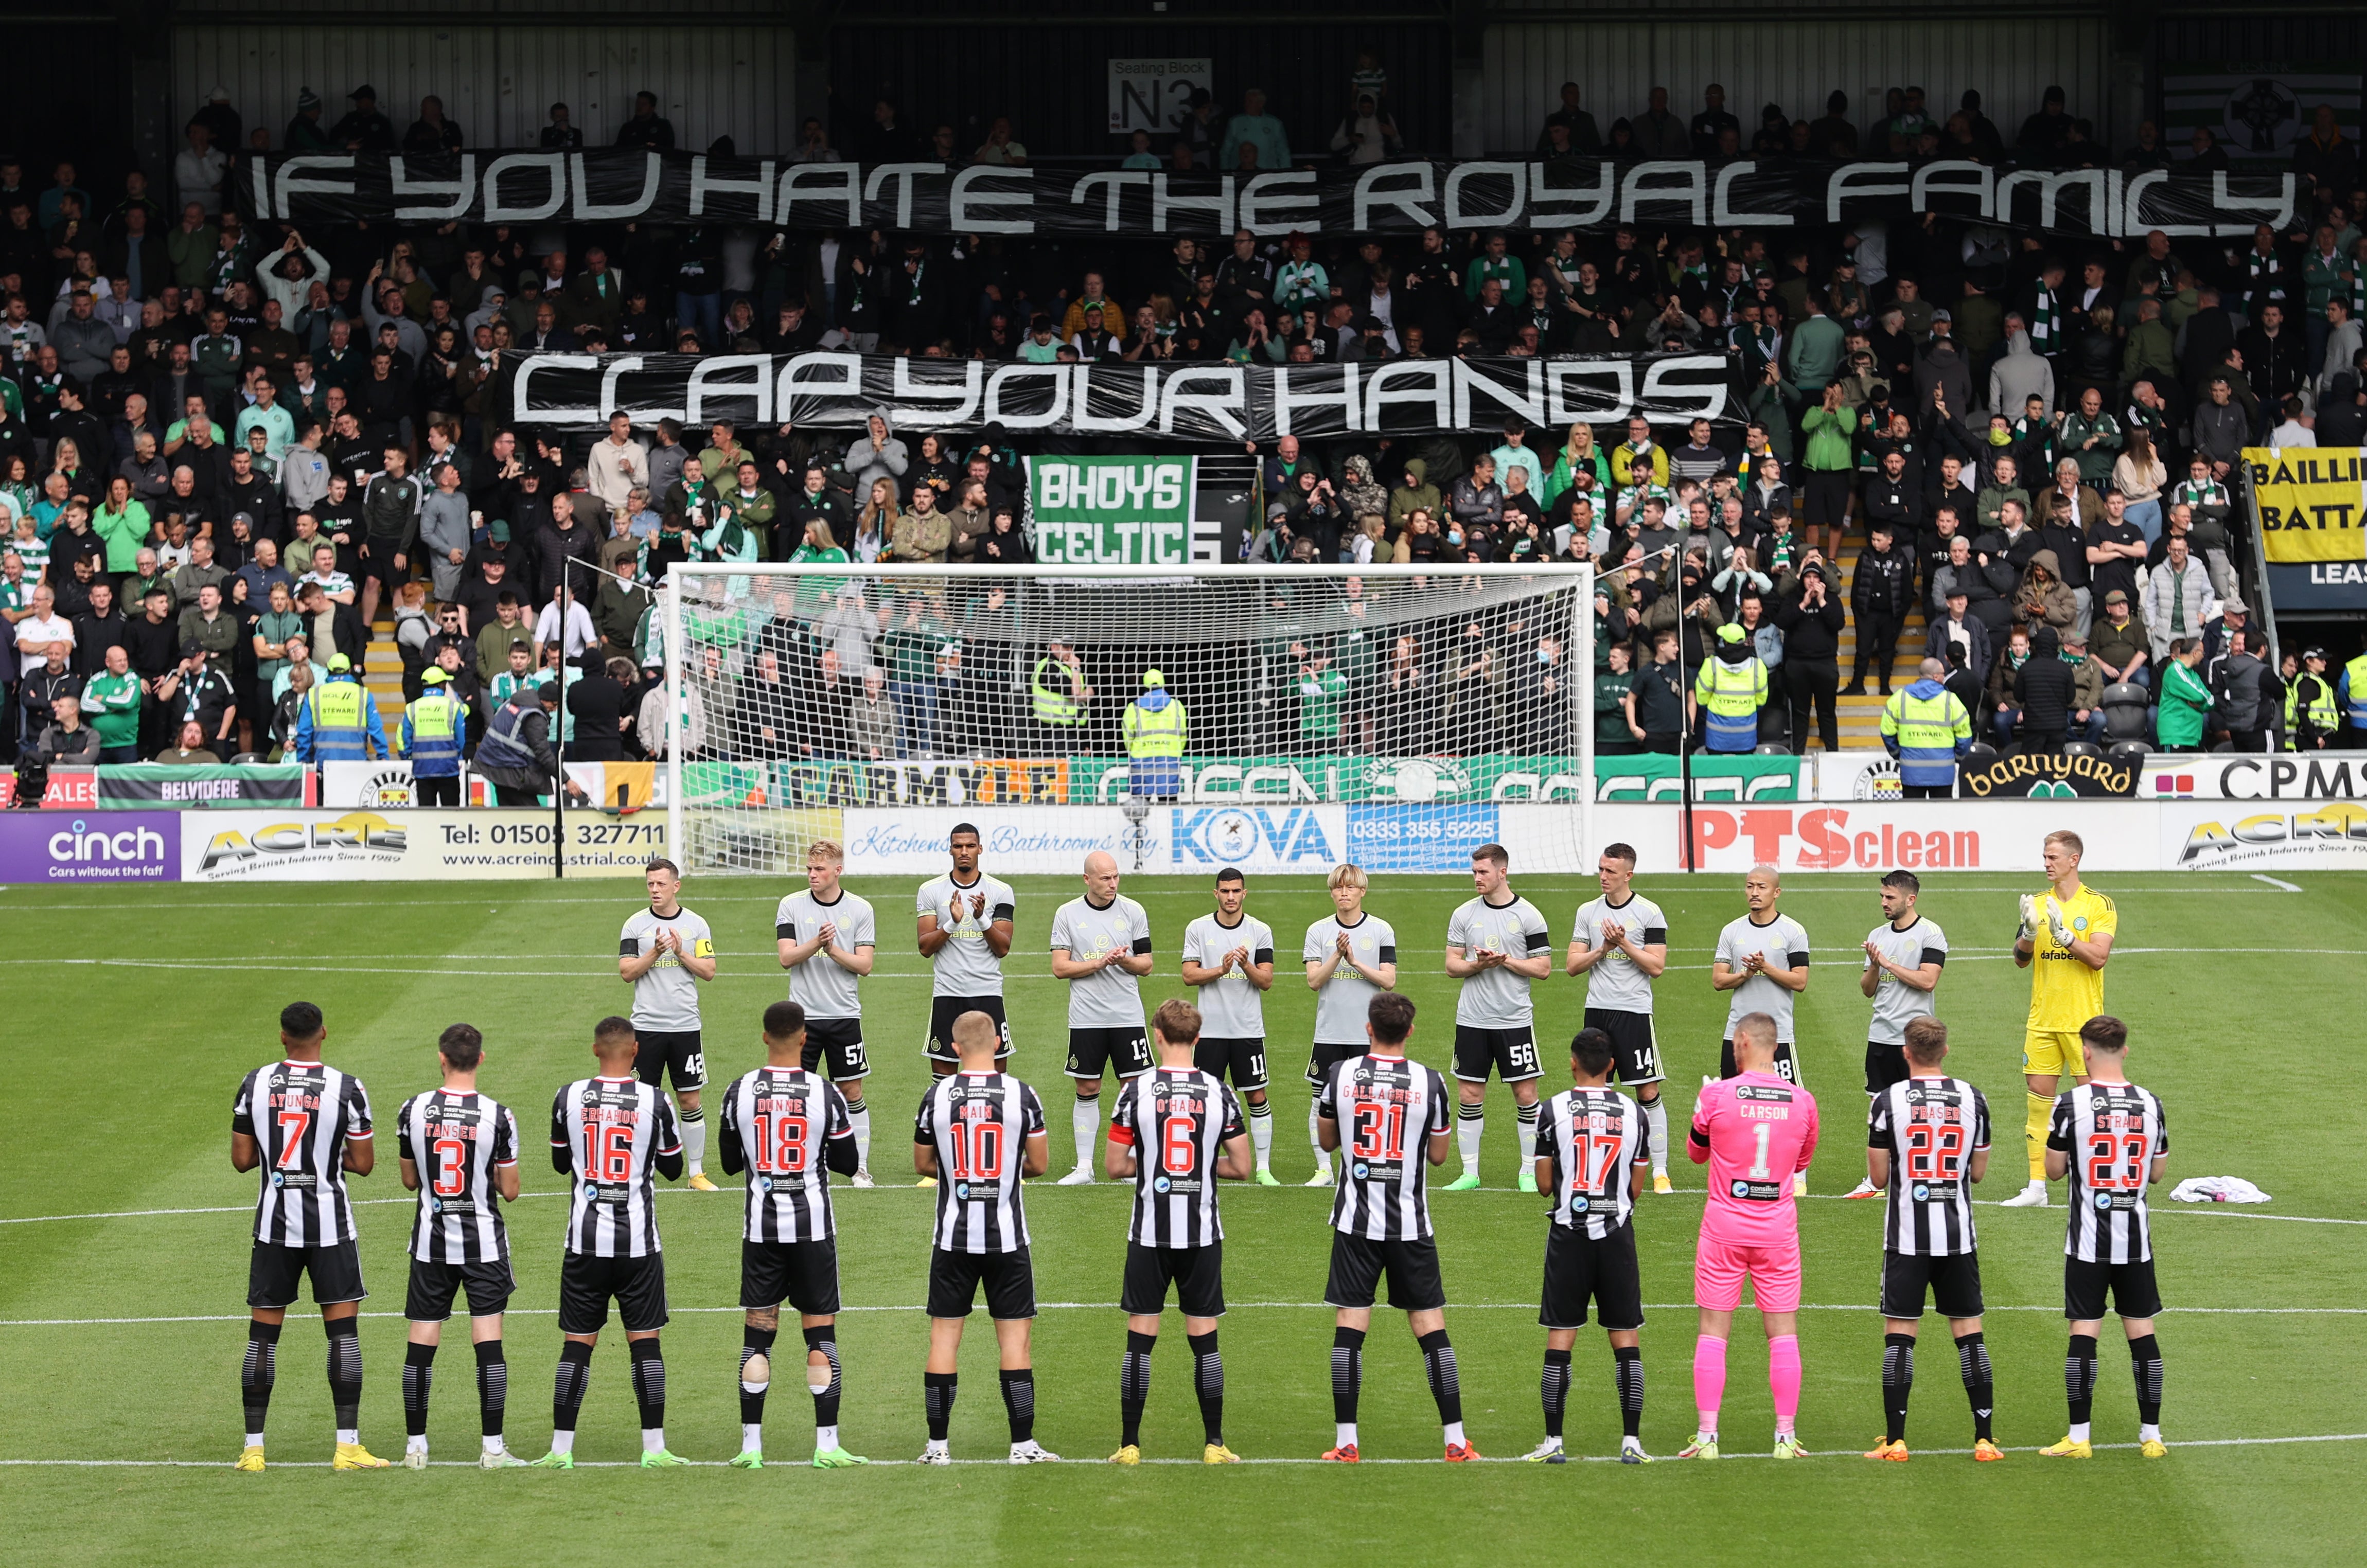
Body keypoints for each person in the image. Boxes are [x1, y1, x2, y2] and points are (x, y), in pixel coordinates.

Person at [229, 1000, 383, 1470]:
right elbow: (364, 1163)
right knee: (343, 1335)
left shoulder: (254, 1084)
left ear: (282, 1037)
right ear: (324, 1033)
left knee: (262, 1338)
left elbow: (241, 1159)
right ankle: (347, 1447)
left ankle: (253, 1450)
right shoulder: (347, 1088)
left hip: (274, 1227)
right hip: (330, 1228)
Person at [1315, 993, 1468, 1463]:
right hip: (1410, 1224)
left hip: (1354, 1223)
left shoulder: (1340, 1075)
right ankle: (1456, 1442)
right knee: (1430, 1328)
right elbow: (1440, 1156)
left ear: (1368, 1029)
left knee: (1350, 1327)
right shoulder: (1432, 1082)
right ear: (1410, 1032)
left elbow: (1326, 1140)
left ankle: (1346, 1443)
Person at [716, 1000, 867, 1471]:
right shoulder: (824, 1093)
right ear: (805, 1039)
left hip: (761, 1232)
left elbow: (726, 1162)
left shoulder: (739, 1090)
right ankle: (826, 1445)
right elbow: (846, 1164)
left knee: (757, 1339)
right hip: (812, 1231)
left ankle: (751, 1448)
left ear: (765, 1037)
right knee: (820, 1337)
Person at [1104, 998, 1253, 1465]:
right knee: (1205, 1338)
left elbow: (1113, 1166)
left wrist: (1153, 1168)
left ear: (1158, 1037)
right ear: (1199, 1039)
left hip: (1149, 1232)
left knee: (1140, 1339)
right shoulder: (1219, 1091)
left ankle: (1129, 1445)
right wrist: (1204, 1168)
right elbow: (1243, 1166)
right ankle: (1214, 1444)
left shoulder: (1135, 1091)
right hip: (1202, 1233)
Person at [533, 1015, 686, 1468]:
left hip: (585, 1243)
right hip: (638, 1244)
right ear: (636, 1050)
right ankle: (655, 1449)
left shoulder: (569, 1096)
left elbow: (562, 1164)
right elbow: (676, 1170)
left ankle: (560, 1451)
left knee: (577, 1344)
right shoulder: (656, 1101)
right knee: (646, 1344)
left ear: (595, 1050)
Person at [912, 1009, 1056, 1465]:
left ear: (954, 1049)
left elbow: (922, 1164)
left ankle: (937, 1448)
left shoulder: (935, 1097)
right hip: (1007, 1239)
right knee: (1015, 1342)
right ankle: (1022, 1446)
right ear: (997, 1042)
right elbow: (1039, 1164)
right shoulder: (1022, 1094)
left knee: (943, 1340)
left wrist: (960, 1174)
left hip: (952, 1238)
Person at [1679, 1012, 1820, 1462]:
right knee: (1782, 1334)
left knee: (1714, 1332)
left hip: (1724, 1227)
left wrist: (1702, 1112)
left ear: (1742, 1042)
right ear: (1774, 1046)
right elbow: (1800, 1163)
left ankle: (1707, 1438)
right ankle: (1784, 1436)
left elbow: (1695, 1155)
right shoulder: (1803, 1102)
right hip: (1777, 1230)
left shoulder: (1716, 1095)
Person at [1863, 1017, 2001, 1462]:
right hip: (1958, 1236)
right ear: (1945, 1051)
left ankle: (1896, 1440)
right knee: (1969, 1334)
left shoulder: (1887, 1101)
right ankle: (1984, 1439)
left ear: (1906, 1052)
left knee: (1900, 1336)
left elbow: (1879, 1176)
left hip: (1906, 1237)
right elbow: (1977, 1174)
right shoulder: (1973, 1099)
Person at [392, 1022, 527, 1469]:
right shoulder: (498, 1115)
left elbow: (411, 1179)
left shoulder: (413, 1110)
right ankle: (492, 1449)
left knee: (421, 1342)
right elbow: (511, 1190)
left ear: (441, 1057)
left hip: (431, 1245)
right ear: (481, 1059)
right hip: (483, 1246)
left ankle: (416, 1449)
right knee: (487, 1341)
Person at [2039, 1014, 2170, 1459]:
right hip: (2136, 1242)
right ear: (2125, 1051)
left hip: (2088, 1242)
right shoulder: (2151, 1104)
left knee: (2084, 1332)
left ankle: (2079, 1438)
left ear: (2086, 1052)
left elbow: (2054, 1172)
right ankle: (2152, 1436)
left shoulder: (2071, 1104)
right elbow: (2156, 1172)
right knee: (2142, 1333)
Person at [1525, 1026, 1653, 1465]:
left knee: (1561, 1337)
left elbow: (1543, 1185)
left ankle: (1554, 1441)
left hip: (1569, 1236)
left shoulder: (1552, 1109)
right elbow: (1636, 1186)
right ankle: (1632, 1441)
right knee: (1626, 1338)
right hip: (1617, 1236)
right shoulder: (1636, 1113)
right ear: (1613, 1066)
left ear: (1573, 1062)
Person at [2002, 830, 2117, 1208]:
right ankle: (2037, 1187)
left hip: (2085, 1024)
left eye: (2053, 857)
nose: (2047, 863)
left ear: (2074, 860)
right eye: (2044, 857)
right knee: (2038, 1105)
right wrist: (2030, 934)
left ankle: (2093, 1183)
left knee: (2094, 1106)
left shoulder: (2099, 905)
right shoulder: (2036, 903)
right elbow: (2020, 960)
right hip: (2043, 1021)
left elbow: (2098, 957)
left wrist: (2067, 938)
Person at [1443, 843, 1554, 1192]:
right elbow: (1451, 965)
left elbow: (1544, 968)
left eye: (1483, 872)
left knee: (1525, 1093)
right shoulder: (1463, 914)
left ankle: (1526, 1172)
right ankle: (1470, 1173)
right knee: (1470, 1094)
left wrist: (1505, 961)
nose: (1477, 878)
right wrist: (1478, 965)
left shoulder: (1529, 915)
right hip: (1472, 1019)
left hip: (1514, 1020)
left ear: (1502, 872)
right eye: (1474, 872)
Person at [1565, 843, 1672, 1195]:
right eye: (1601, 869)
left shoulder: (1648, 912)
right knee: (1596, 1093)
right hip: (1597, 1012)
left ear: (1629, 874)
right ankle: (1600, 1165)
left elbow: (1656, 967)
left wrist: (1624, 944)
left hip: (1635, 1013)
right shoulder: (1587, 912)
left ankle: (1660, 1172)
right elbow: (1571, 967)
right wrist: (1603, 949)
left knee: (1648, 1090)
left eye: (1610, 871)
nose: (1603, 877)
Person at [774, 840, 878, 1185]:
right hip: (802, 1020)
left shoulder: (861, 909)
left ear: (838, 870)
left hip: (844, 1016)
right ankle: (798, 1165)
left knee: (851, 1092)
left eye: (820, 869)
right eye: (809, 869)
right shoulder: (790, 905)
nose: (813, 875)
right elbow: (787, 958)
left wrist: (831, 949)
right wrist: (818, 943)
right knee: (797, 1094)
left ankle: (859, 1167)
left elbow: (864, 965)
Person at [1049, 850, 1155, 1183]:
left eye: (1116, 877)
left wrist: (1122, 961)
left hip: (1127, 1016)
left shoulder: (1133, 911)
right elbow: (1060, 967)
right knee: (1087, 1086)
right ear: (1088, 880)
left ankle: (1131, 1165)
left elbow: (1147, 965)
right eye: (1106, 878)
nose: (1113, 884)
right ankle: (1084, 1167)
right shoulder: (1067, 914)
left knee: (1132, 1090)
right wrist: (1099, 963)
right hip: (1086, 1018)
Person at [1843, 870, 1950, 1200]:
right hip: (1880, 1037)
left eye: (1890, 897)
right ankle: (1877, 1181)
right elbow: (1867, 989)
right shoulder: (1878, 935)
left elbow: (1928, 980)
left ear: (1910, 899)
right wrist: (1875, 965)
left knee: (1920, 1110)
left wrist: (1887, 963)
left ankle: (1923, 1175)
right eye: (1882, 896)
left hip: (1916, 1040)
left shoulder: (1930, 934)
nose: (1884, 902)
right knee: (1880, 1111)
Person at [617, 858, 719, 1191]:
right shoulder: (635, 925)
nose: (655, 890)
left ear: (676, 886)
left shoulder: (697, 925)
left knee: (690, 1100)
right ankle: (640, 1174)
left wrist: (679, 951)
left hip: (685, 1027)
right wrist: (655, 952)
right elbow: (627, 972)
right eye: (650, 884)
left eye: (661, 884)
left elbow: (708, 971)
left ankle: (696, 1173)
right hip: (645, 1028)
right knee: (643, 1101)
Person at [1179, 867, 1281, 1185]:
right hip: (1208, 1032)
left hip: (1248, 1031)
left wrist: (1244, 964)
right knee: (1205, 1098)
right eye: (1225, 891)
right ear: (1216, 894)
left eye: (1236, 891)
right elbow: (1189, 975)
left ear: (1244, 893)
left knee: (1257, 1097)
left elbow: (1266, 981)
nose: (1231, 897)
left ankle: (1263, 1168)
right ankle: (1204, 1162)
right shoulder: (1197, 928)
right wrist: (1220, 969)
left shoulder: (1260, 930)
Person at [1301, 862, 1399, 1188]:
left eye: (1350, 887)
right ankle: (1324, 1169)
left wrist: (1355, 961)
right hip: (1329, 1032)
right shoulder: (1318, 930)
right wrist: (1338, 957)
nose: (1343, 893)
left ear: (1362, 891)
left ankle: (1362, 1164)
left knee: (1368, 1101)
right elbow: (1314, 981)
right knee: (1321, 1100)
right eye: (1337, 888)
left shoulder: (1381, 929)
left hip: (1367, 1033)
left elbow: (1389, 980)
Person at [915, 823, 1018, 1083]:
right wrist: (952, 923)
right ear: (950, 849)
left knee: (996, 1081)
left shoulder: (1001, 890)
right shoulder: (931, 890)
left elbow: (1003, 948)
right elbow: (925, 947)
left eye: (970, 846)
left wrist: (982, 918)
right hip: (948, 994)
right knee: (943, 1083)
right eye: (958, 846)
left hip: (988, 993)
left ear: (980, 849)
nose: (964, 851)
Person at [1710, 866, 1814, 1114]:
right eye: (1750, 886)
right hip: (1737, 1035)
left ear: (1776, 892)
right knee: (1733, 1106)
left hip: (1777, 1036)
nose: (1754, 892)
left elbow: (1800, 982)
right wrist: (1745, 974)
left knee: (1789, 1105)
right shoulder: (1732, 931)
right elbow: (1718, 981)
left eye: (1761, 887)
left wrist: (1765, 967)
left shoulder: (1793, 931)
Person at [1880, 656, 1973, 797]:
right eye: (1943, 674)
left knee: (1913, 818)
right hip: (1943, 772)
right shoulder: (1951, 700)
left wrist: (1898, 754)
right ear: (1936, 677)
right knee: (1941, 817)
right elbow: (1965, 736)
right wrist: (1957, 757)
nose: (1944, 677)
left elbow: (1887, 733)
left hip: (1911, 771)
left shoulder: (1900, 698)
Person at [469, 679, 558, 805]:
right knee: (533, 817)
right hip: (512, 771)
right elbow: (543, 753)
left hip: (497, 765)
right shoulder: (534, 717)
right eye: (554, 704)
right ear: (544, 700)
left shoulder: (515, 703)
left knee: (509, 814)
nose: (555, 709)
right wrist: (565, 779)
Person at [1692, 622, 1767, 754]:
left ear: (1726, 642)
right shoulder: (1758, 665)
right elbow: (1761, 699)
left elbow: (1702, 698)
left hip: (1717, 738)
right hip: (1746, 738)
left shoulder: (1711, 664)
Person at [398, 665, 466, 806]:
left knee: (427, 816)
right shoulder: (453, 707)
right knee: (451, 815)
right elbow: (461, 739)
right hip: (448, 769)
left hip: (423, 769)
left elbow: (405, 739)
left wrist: (410, 756)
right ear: (441, 684)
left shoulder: (412, 707)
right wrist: (455, 756)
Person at [1120, 667, 1187, 799]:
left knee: (1140, 805)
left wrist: (1136, 749)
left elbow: (1127, 737)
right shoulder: (1177, 706)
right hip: (1169, 759)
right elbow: (1183, 735)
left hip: (1141, 760)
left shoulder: (1134, 708)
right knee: (1169, 804)